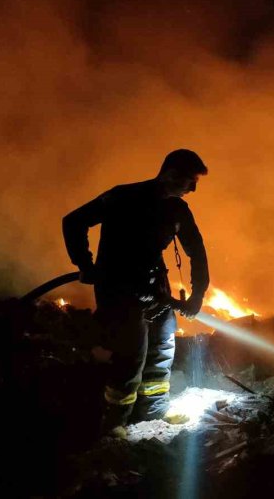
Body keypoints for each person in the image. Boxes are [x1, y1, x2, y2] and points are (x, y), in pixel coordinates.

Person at [63, 149, 210, 437]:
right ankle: (116, 422)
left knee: (163, 348)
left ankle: (153, 412)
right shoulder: (121, 197)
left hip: (156, 289)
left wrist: (197, 296)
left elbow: (198, 253)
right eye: (189, 181)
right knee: (131, 355)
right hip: (118, 288)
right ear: (170, 174)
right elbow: (73, 221)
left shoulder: (177, 210)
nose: (192, 189)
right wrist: (84, 263)